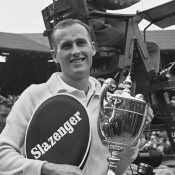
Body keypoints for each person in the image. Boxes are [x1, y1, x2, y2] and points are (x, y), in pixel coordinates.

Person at [0, 19, 154, 175]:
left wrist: (132, 135)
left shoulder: (111, 101)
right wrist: (45, 168)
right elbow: (2, 156)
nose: (75, 51)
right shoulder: (34, 96)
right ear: (55, 55)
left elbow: (117, 168)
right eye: (66, 46)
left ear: (93, 48)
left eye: (81, 43)